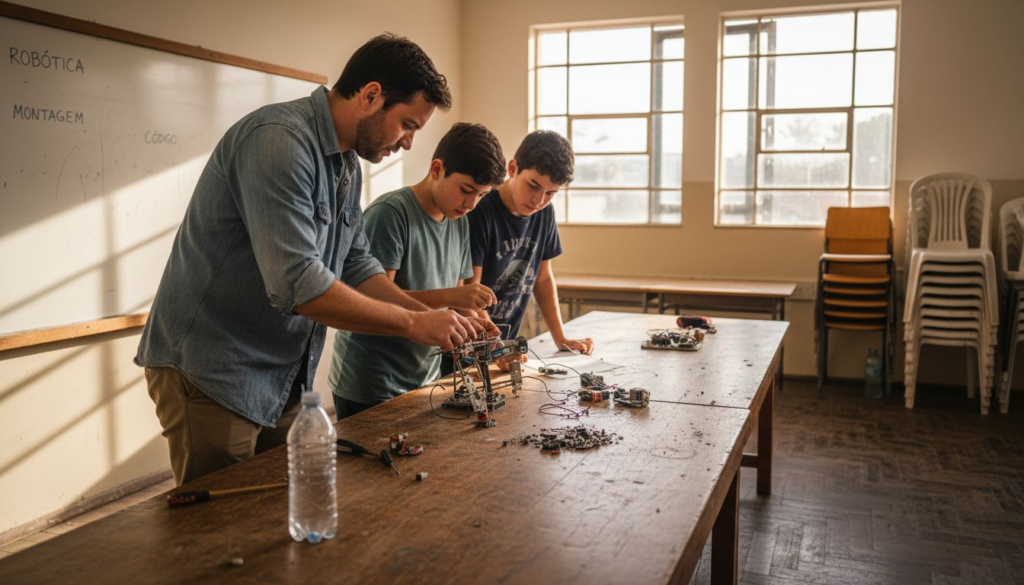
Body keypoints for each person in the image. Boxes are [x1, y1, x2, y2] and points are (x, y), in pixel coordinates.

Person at [135, 34, 487, 485]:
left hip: (280, 376)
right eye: (407, 124)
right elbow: (298, 282)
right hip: (215, 370)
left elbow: (357, 265)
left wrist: (436, 318)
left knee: (277, 511)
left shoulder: (345, 165)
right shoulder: (278, 141)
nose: (408, 144)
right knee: (218, 532)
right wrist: (415, 326)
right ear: (371, 95)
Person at [328, 123, 506, 418]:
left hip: (424, 378)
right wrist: (455, 296)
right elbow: (371, 299)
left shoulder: (459, 220)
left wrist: (478, 330)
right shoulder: (391, 214)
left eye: (483, 195)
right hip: (371, 382)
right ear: (437, 169)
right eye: (467, 190)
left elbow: (457, 307)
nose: (472, 203)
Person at [463, 130, 593, 368]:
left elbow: (543, 279)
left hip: (504, 348)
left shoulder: (544, 213)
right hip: (472, 348)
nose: (539, 200)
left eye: (550, 193)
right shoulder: (481, 210)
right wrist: (495, 348)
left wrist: (560, 338)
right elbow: (470, 293)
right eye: (533, 186)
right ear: (512, 168)